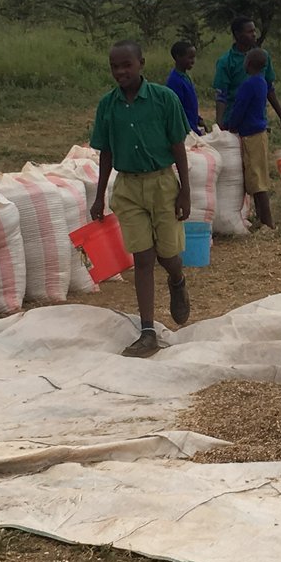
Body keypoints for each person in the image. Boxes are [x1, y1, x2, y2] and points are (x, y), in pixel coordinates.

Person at [87, 40, 193, 358]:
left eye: (126, 65)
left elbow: (178, 147)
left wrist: (185, 190)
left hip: (162, 183)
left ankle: (177, 280)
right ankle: (147, 332)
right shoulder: (108, 106)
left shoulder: (164, 99)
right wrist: (99, 196)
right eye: (115, 67)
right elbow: (105, 152)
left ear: (141, 64)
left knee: (168, 255)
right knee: (142, 258)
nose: (121, 72)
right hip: (128, 188)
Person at [222, 46, 277, 231]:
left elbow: (240, 108)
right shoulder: (261, 82)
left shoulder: (249, 84)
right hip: (257, 133)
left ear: (250, 64)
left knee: (257, 178)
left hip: (252, 135)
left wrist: (231, 125)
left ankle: (267, 222)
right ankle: (261, 219)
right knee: (256, 177)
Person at [213, 15, 281, 136]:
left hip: (256, 122)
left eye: (254, 30)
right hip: (233, 121)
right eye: (249, 31)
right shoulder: (225, 62)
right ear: (238, 34)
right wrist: (219, 123)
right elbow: (221, 95)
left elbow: (270, 89)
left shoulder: (262, 57)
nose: (254, 34)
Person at [165, 39, 209, 135]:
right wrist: (192, 130)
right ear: (178, 57)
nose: (193, 61)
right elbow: (177, 111)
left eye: (194, 57)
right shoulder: (175, 81)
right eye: (190, 58)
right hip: (184, 131)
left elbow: (189, 105)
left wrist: (198, 120)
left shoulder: (185, 77)